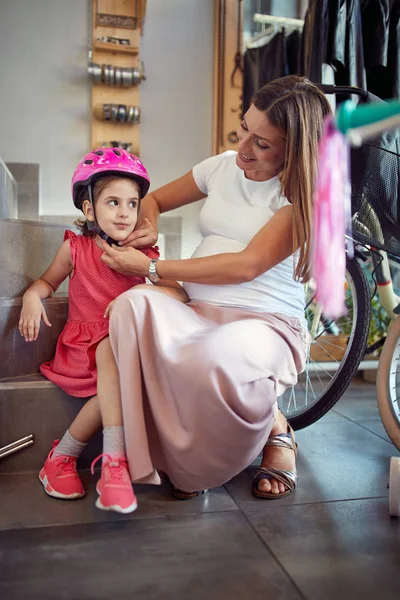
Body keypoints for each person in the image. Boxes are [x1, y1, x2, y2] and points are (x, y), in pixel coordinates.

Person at [93, 75, 332, 502]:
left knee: (217, 356)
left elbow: (246, 265)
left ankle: (264, 435)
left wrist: (153, 269)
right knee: (131, 308)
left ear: (295, 150)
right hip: (198, 309)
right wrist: (148, 229)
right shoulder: (222, 165)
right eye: (245, 129)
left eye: (262, 144)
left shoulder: (302, 197)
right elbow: (155, 200)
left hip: (265, 322)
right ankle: (177, 457)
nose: (243, 148)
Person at [19, 148, 187, 514]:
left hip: (127, 350)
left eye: (132, 203)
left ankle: (67, 457)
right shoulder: (75, 248)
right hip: (85, 351)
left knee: (130, 360)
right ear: (89, 210)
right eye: (113, 202)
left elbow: (179, 292)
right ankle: (102, 461)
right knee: (117, 362)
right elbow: (48, 281)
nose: (125, 212)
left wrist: (143, 286)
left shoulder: (145, 257)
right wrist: (33, 295)